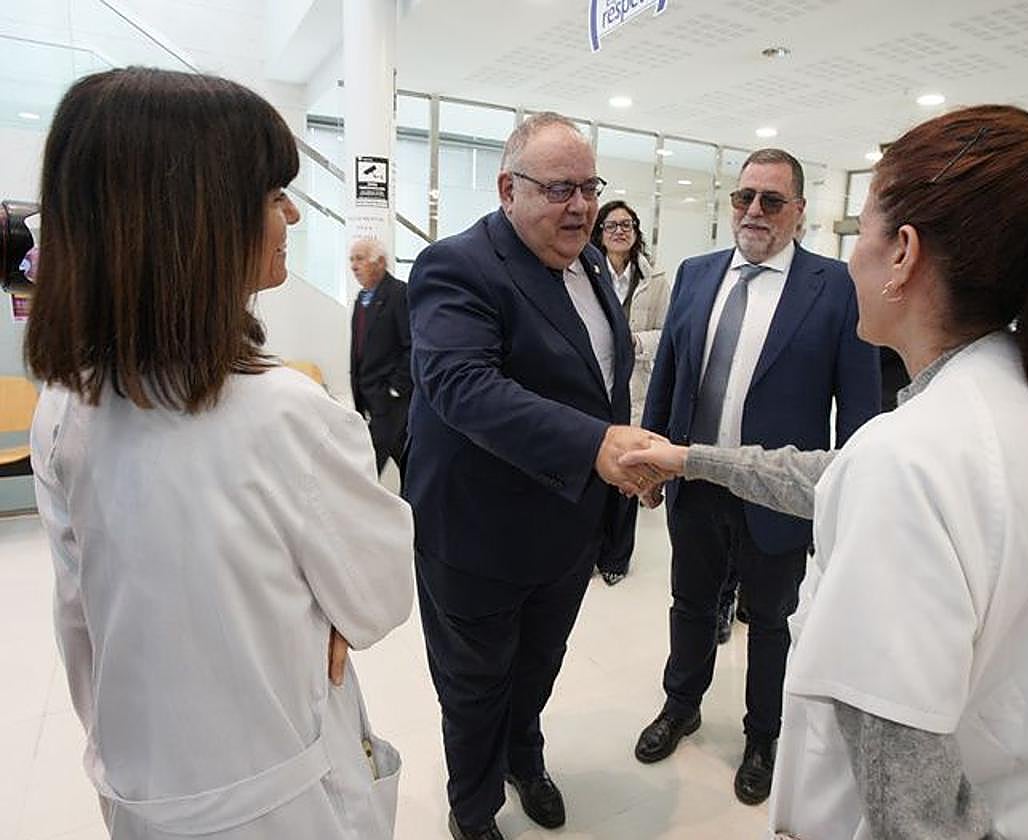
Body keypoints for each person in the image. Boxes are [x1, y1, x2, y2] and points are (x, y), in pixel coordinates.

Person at [622, 105, 1028, 838]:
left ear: (903, 253)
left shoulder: (912, 460)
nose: (849, 258)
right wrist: (688, 459)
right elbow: (841, 473)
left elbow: (916, 813)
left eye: (863, 229)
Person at [23, 68, 415, 840]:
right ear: (195, 218)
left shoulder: (67, 403)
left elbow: (82, 617)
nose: (294, 214)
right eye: (273, 197)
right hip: (282, 795)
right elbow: (376, 597)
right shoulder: (286, 413)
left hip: (141, 784)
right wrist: (328, 608)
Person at [405, 112, 656, 840]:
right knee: (475, 686)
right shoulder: (458, 265)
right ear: (507, 188)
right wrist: (596, 444)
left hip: (566, 527)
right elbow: (462, 386)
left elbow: (601, 379)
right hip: (478, 535)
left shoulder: (587, 267)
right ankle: (474, 811)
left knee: (539, 666)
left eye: (588, 187)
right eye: (558, 189)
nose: (579, 206)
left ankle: (526, 758)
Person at [633, 148, 880, 807]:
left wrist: (843, 499)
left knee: (769, 620)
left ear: (799, 212)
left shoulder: (835, 287)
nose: (753, 212)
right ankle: (680, 705)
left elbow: (858, 407)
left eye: (772, 201)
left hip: (776, 494)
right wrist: (650, 460)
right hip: (695, 480)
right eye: (744, 197)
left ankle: (764, 737)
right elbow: (669, 381)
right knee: (689, 605)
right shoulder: (694, 276)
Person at [589, 200, 671, 586]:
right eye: (611, 225)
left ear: (636, 232)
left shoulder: (656, 281)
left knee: (627, 473)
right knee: (592, 471)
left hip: (635, 383)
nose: (619, 231)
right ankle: (589, 550)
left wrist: (634, 342)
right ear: (600, 232)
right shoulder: (585, 273)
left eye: (627, 224)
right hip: (595, 382)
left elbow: (668, 333)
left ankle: (617, 557)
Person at [349, 237, 413, 477]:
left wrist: (396, 388)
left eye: (360, 259)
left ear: (381, 263)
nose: (354, 266)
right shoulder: (361, 300)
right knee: (406, 458)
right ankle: (417, 508)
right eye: (352, 259)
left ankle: (355, 512)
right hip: (369, 397)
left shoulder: (399, 294)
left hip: (391, 399)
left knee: (366, 468)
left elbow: (412, 345)